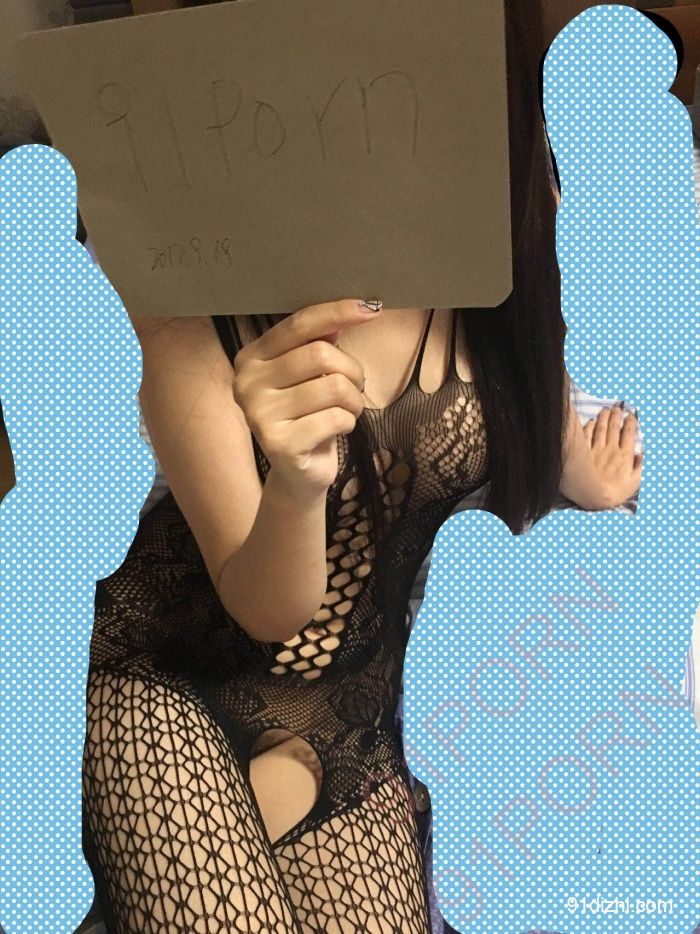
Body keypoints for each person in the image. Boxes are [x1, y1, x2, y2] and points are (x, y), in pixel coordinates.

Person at [79, 1, 643, 932]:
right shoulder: (192, 279)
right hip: (170, 670)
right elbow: (265, 605)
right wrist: (298, 481)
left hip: (354, 702)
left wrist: (573, 473)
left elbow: (527, 385)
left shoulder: (502, 217)